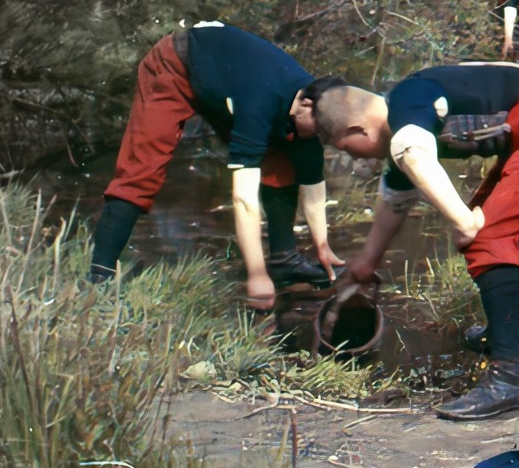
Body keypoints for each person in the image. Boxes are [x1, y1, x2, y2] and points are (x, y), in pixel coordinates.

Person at [312, 63, 519, 421]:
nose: (354, 157)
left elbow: (412, 151)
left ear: (357, 127)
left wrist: (463, 221)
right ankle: (501, 336)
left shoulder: (406, 104)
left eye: (348, 148)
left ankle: (510, 376)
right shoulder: (404, 109)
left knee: (488, 237)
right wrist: (367, 261)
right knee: (489, 233)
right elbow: (397, 197)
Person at [89, 23, 339, 308]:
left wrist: (322, 246)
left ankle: (283, 261)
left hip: (226, 85)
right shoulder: (261, 100)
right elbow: (243, 198)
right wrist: (256, 276)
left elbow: (312, 179)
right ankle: (100, 279)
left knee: (281, 161)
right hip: (176, 64)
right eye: (317, 129)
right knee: (142, 168)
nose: (319, 137)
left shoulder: (315, 107)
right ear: (304, 104)